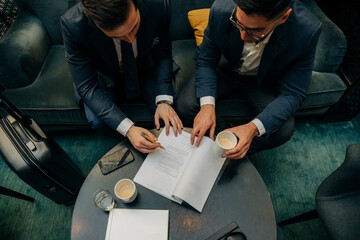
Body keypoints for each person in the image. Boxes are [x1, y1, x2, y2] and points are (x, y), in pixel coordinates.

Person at [177, 0, 322, 159]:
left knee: (283, 130)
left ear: (283, 17)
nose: (243, 36)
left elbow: (294, 93)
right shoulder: (221, 10)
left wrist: (252, 128)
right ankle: (227, 141)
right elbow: (206, 60)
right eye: (238, 23)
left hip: (264, 82)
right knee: (186, 105)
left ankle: (235, 150)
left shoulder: (307, 31)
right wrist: (207, 107)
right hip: (225, 70)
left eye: (255, 31)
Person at [61, 0, 183, 153]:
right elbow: (87, 87)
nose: (131, 39)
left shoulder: (158, 5)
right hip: (104, 76)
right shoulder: (73, 25)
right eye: (118, 36)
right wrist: (129, 130)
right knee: (99, 121)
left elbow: (163, 54)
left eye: (134, 27)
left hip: (144, 67)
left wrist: (164, 101)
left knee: (170, 110)